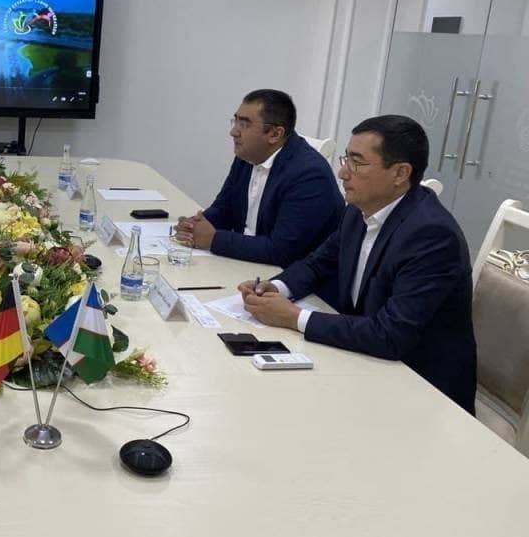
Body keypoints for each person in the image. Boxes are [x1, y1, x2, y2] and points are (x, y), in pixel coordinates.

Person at [239, 115, 477, 413]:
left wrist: (294, 317)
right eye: (346, 159)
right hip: (363, 364)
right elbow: (317, 264)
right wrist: (275, 288)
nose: (342, 172)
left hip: (422, 394)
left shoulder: (432, 235)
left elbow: (390, 334)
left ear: (400, 173)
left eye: (357, 162)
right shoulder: (358, 210)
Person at [176, 90, 343, 268]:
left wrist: (213, 239)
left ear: (275, 134)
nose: (233, 132)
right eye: (235, 121)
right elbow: (224, 210)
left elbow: (281, 251)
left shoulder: (309, 175)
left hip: (286, 274)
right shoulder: (248, 156)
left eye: (244, 124)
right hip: (250, 263)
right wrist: (195, 226)